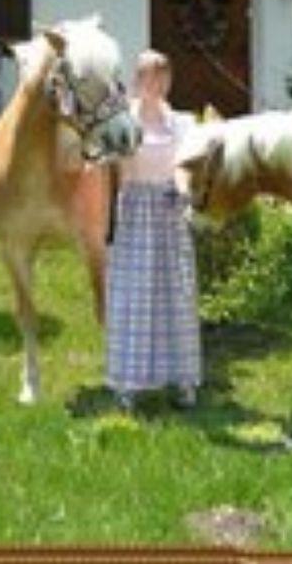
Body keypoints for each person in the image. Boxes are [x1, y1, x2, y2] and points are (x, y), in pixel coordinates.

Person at [105, 50, 202, 408]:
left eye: (163, 75)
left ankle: (183, 380)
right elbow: (110, 169)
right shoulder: (122, 122)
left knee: (176, 292)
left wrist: (182, 192)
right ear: (137, 81)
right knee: (135, 294)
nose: (156, 82)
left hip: (170, 210)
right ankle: (129, 382)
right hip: (135, 212)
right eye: (149, 75)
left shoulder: (182, 123)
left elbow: (186, 166)